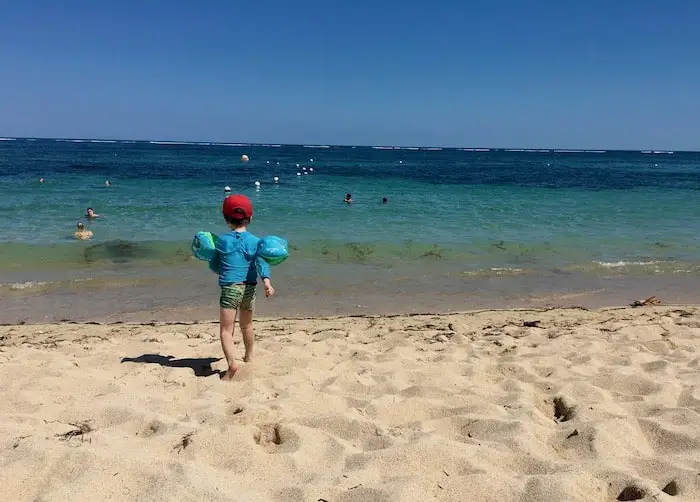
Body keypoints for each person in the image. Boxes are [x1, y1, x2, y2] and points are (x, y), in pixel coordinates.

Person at [208, 194, 275, 381]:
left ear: (225, 218)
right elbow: (262, 263)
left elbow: (215, 264)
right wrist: (267, 282)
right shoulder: (256, 241)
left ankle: (232, 364)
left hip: (230, 288)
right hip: (250, 288)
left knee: (226, 331)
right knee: (247, 325)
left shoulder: (222, 241)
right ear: (251, 218)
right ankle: (249, 356)